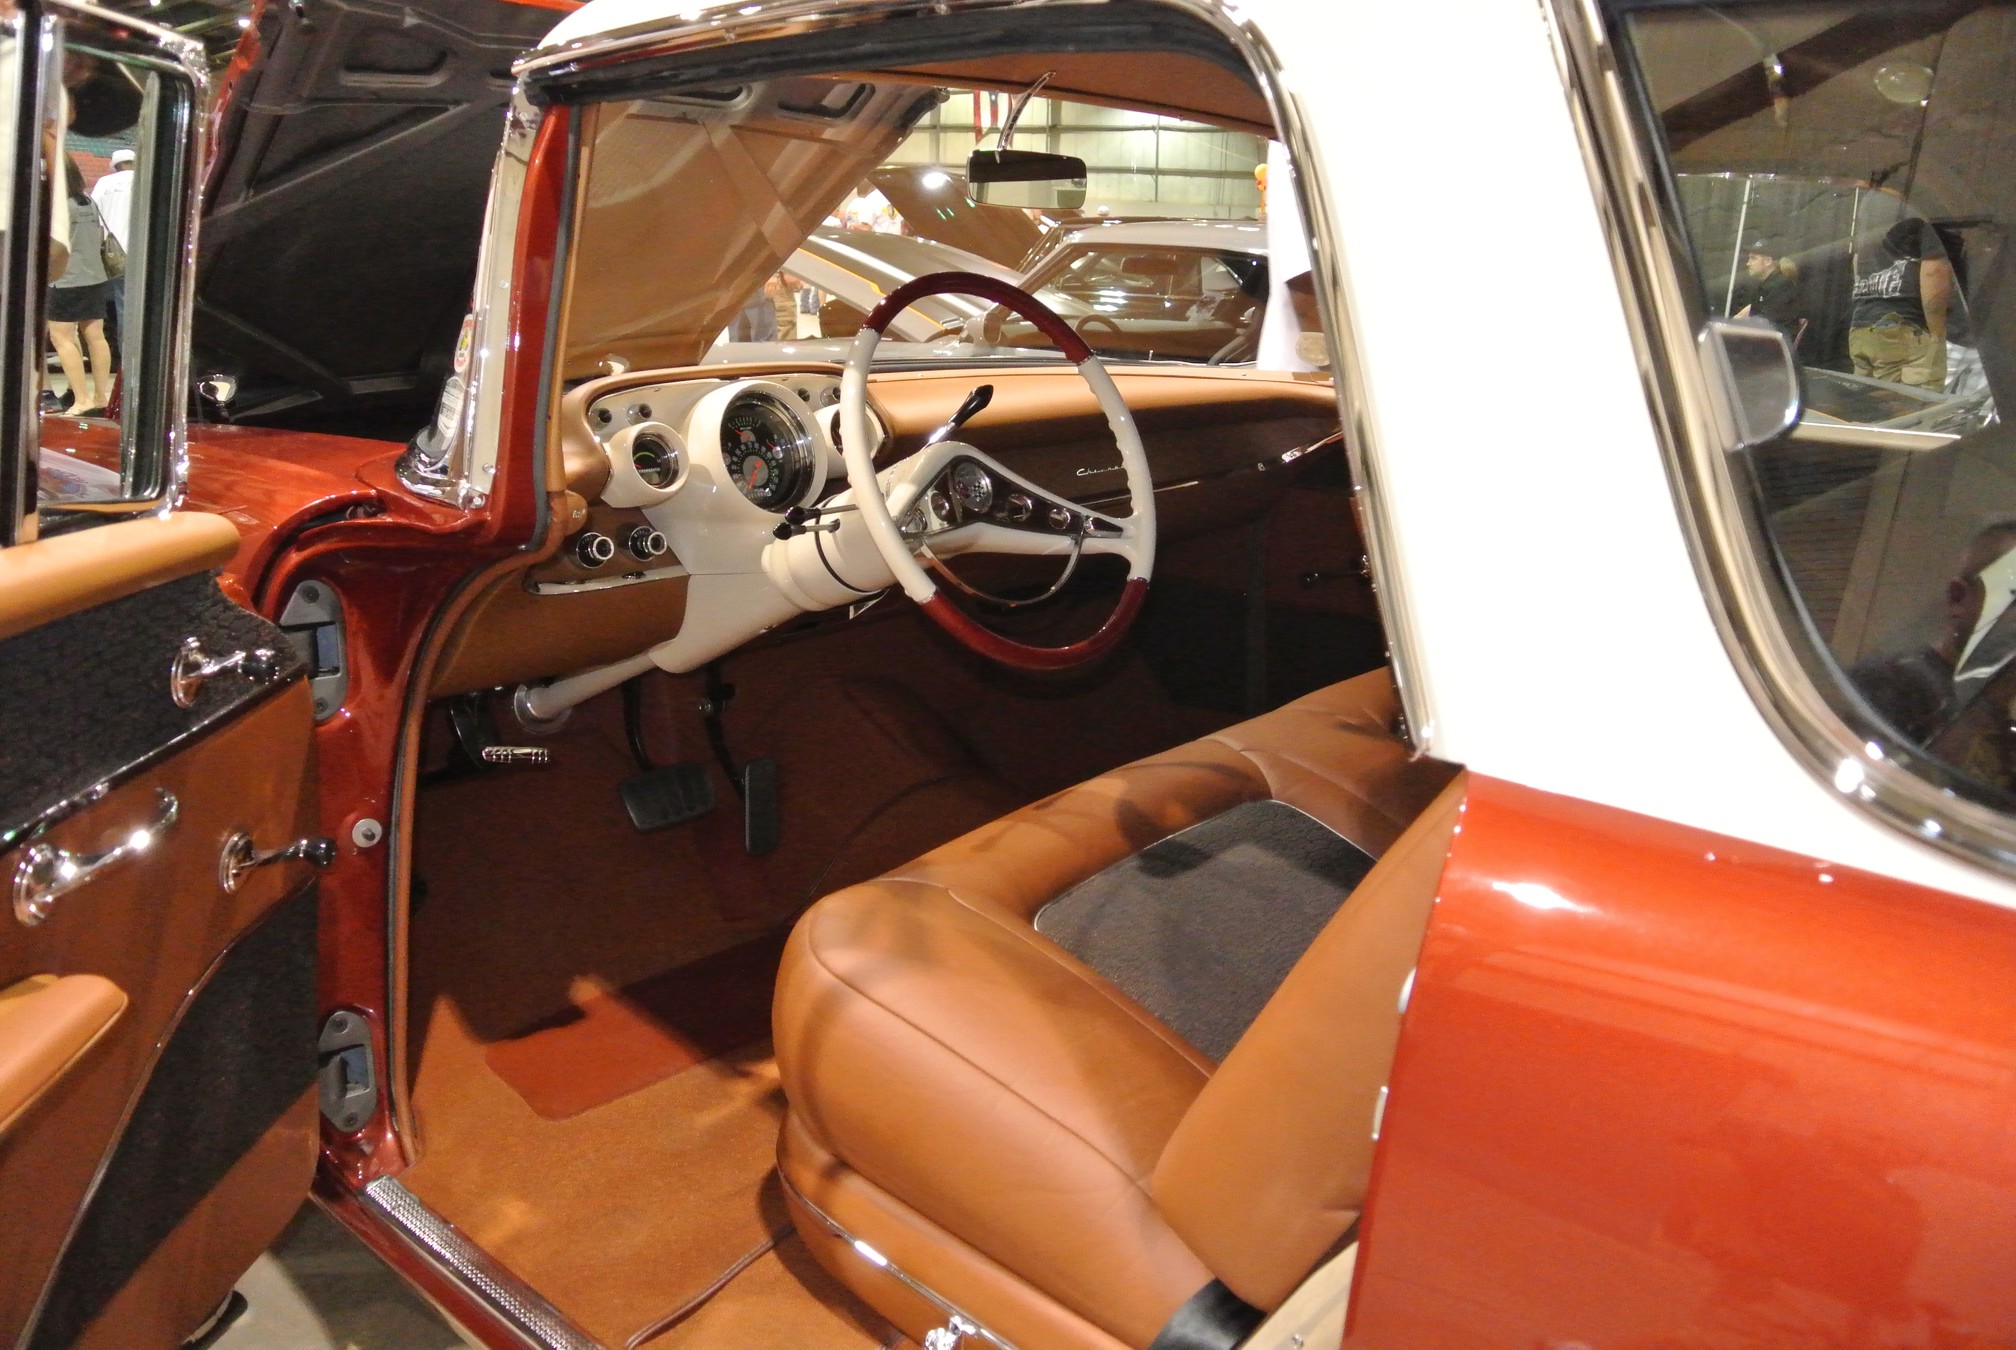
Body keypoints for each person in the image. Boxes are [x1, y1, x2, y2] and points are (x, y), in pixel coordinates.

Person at [1848, 217, 1952, 390]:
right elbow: (1933, 271)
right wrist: (1936, 334)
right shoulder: (1929, 218)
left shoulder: (1872, 222)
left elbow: (1857, 261)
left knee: (1867, 398)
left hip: (1860, 327)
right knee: (1913, 401)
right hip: (1903, 328)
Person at [47, 154, 113, 415]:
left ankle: (82, 399)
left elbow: (54, 248)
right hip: (94, 277)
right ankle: (100, 397)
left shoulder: (59, 207)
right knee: (95, 337)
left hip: (65, 280)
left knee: (61, 337)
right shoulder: (87, 201)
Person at [90, 146, 133, 343]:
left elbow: (93, 214)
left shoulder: (104, 183)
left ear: (115, 166)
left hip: (112, 254)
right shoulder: (145, 181)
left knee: (119, 303)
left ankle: (122, 352)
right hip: (141, 252)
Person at [1732, 239, 1805, 341]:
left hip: (1772, 345)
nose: (1748, 263)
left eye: (1753, 258)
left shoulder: (1781, 286)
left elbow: (1765, 324)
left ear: (1768, 261)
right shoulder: (1765, 287)